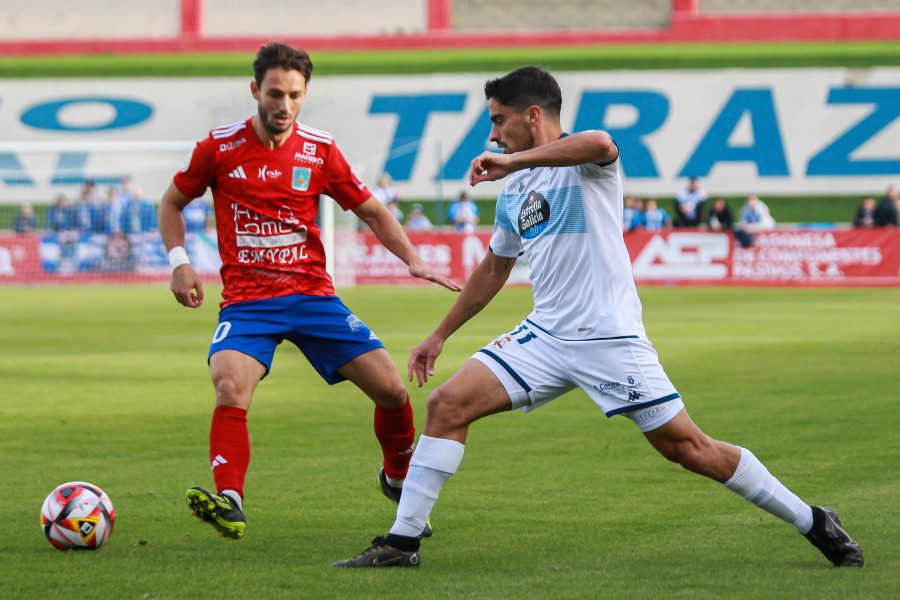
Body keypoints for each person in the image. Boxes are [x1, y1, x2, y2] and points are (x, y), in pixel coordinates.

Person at [333, 65, 863, 569]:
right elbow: (495, 267)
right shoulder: (516, 188)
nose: (493, 134)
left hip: (609, 338)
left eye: (499, 119)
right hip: (545, 334)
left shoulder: (584, 163)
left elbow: (603, 143)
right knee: (447, 404)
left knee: (688, 448)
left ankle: (812, 519)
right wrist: (439, 334)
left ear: (533, 114)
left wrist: (517, 162)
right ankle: (402, 544)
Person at [158, 42, 461, 543]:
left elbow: (372, 211)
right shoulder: (218, 148)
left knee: (392, 391)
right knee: (229, 386)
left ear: (304, 95)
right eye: (275, 93)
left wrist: (413, 259)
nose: (285, 105)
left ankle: (398, 478)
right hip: (248, 302)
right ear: (255, 91)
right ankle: (230, 499)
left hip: (312, 296)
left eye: (295, 95)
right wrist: (180, 263)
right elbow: (171, 203)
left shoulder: (318, 150)